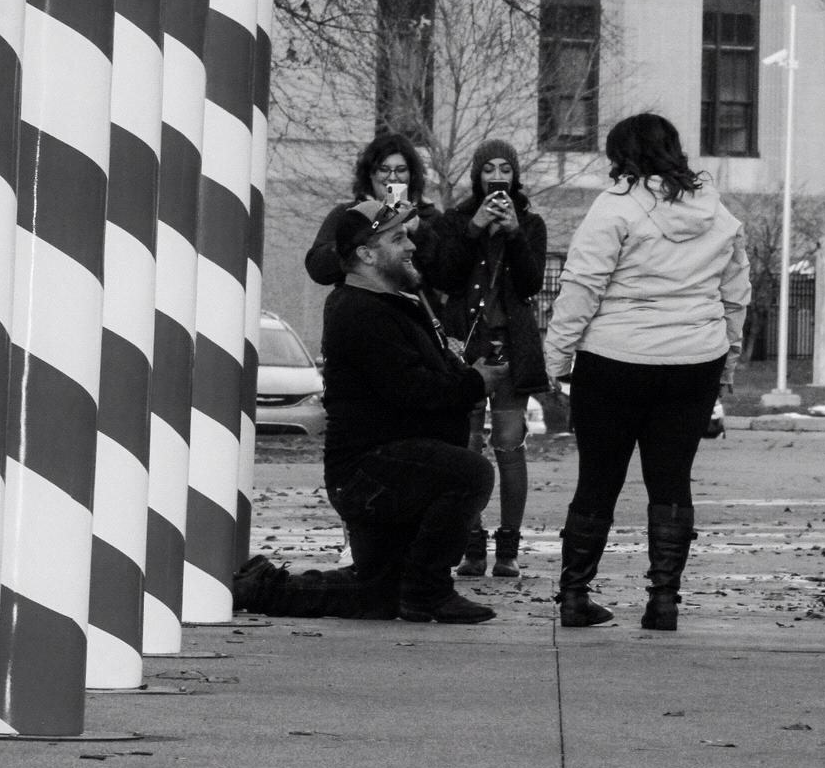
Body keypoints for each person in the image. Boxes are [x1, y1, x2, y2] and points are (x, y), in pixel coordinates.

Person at [543, 112, 750, 632]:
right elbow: (735, 294)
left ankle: (575, 596)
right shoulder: (717, 212)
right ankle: (663, 601)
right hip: (692, 361)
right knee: (672, 480)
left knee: (598, 478)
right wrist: (728, 359)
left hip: (614, 359)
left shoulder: (614, 208)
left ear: (621, 157)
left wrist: (557, 357)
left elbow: (582, 286)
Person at [321, 196, 497, 624]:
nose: (411, 246)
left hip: (385, 470)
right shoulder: (361, 311)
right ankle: (428, 594)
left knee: (374, 596)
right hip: (369, 475)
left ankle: (255, 586)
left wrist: (455, 365)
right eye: (398, 238)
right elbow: (413, 390)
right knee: (470, 473)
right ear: (366, 254)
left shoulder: (388, 304)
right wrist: (475, 382)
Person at [435, 139, 548, 579]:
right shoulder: (455, 220)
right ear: (477, 175)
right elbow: (446, 276)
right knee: (465, 448)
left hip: (510, 349)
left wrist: (514, 233)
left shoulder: (531, 223)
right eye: (488, 169)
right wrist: (474, 229)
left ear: (514, 176)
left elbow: (531, 284)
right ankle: (472, 546)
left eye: (504, 168)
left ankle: (508, 549)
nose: (497, 176)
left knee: (509, 446)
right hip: (465, 348)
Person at [304, 130, 445, 293]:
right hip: (360, 304)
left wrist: (420, 231)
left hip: (411, 306)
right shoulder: (348, 214)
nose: (392, 177)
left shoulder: (430, 217)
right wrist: (362, 234)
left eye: (400, 170)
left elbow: (447, 278)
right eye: (384, 169)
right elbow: (318, 270)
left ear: (412, 175)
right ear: (370, 173)